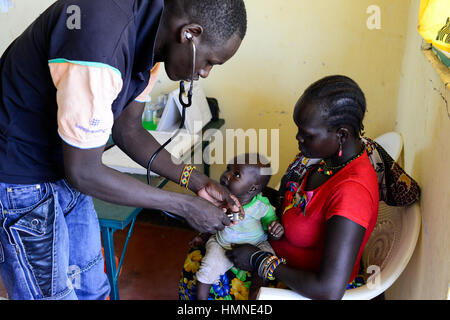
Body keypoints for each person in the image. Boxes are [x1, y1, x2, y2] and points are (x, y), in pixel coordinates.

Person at [0, 0, 247, 300]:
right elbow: (84, 171)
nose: (206, 72)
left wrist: (195, 180)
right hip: (20, 179)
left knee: (92, 289)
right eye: (210, 61)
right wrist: (181, 205)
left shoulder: (152, 35)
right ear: (190, 34)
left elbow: (128, 129)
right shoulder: (102, 42)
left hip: (62, 167)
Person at [225, 75, 380, 299]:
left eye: (307, 134)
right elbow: (293, 202)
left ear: (342, 135)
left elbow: (329, 290)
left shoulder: (352, 193)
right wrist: (240, 192)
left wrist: (258, 260)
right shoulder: (328, 162)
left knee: (202, 271)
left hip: (297, 286)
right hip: (275, 255)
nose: (298, 137)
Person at [191, 154, 284, 300]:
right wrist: (203, 236)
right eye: (228, 169)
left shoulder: (262, 206)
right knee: (208, 269)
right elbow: (211, 222)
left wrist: (275, 231)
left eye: (236, 174)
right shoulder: (218, 198)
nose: (226, 175)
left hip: (256, 244)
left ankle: (255, 293)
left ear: (252, 188)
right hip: (223, 244)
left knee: (266, 261)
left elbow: (271, 228)